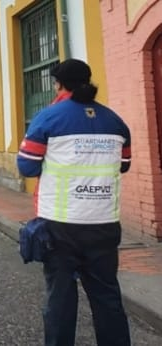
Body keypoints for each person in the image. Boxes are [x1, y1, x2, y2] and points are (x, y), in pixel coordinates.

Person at [17, 59, 132, 346]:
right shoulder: (115, 121)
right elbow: (124, 165)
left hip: (60, 223)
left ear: (59, 84)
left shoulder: (49, 118)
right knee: (107, 297)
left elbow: (27, 166)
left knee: (60, 299)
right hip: (104, 221)